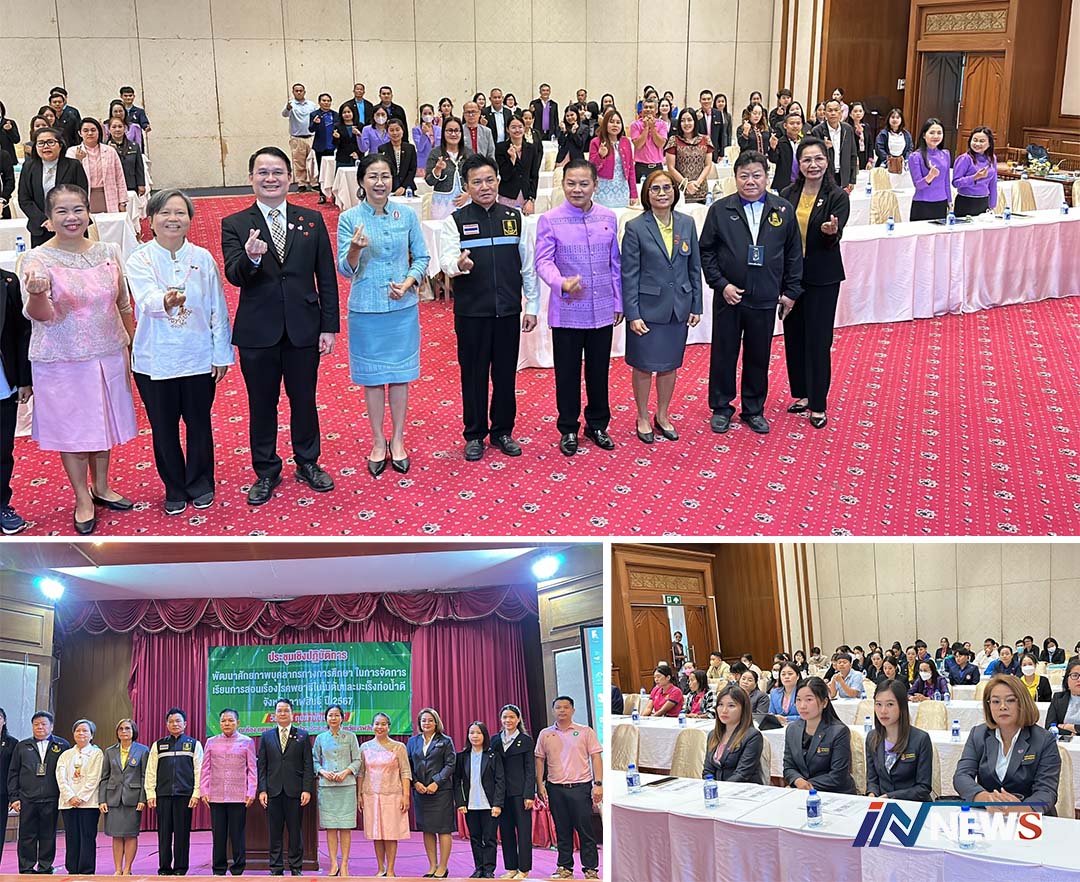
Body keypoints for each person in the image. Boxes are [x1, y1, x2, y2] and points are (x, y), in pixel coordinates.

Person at [221, 146, 339, 505]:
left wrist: (329, 326)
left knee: (304, 399)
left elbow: (326, 276)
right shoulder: (235, 224)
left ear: (289, 178)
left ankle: (308, 462)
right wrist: (252, 258)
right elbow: (235, 275)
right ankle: (266, 470)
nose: (270, 179)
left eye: (277, 172)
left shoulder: (311, 219)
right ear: (251, 179)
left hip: (304, 326)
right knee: (262, 403)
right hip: (258, 331)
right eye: (263, 172)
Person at [20, 184, 136, 534]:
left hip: (109, 352)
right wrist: (37, 293)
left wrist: (132, 346)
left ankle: (102, 486)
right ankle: (82, 497)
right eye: (62, 212)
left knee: (104, 424)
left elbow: (123, 303)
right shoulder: (37, 260)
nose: (71, 218)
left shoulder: (108, 251)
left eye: (78, 210)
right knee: (75, 431)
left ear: (88, 213)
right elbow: (40, 315)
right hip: (62, 360)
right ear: (48, 218)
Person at [127, 188, 232, 514]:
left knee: (199, 424)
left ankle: (200, 482)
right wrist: (166, 301)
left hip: (198, 356)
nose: (173, 219)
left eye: (180, 213)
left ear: (189, 219)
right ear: (151, 219)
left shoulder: (202, 258)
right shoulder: (139, 259)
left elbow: (218, 308)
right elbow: (145, 299)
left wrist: (221, 353)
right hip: (154, 358)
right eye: (165, 213)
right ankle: (174, 486)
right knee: (164, 427)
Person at [438, 153, 538, 461]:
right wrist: (458, 265)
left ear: (498, 181)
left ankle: (503, 431)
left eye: (489, 180)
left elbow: (528, 267)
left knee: (506, 375)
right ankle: (474, 434)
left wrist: (532, 305)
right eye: (477, 182)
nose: (484, 187)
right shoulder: (455, 221)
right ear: (467, 186)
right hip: (471, 313)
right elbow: (445, 260)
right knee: (474, 375)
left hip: (507, 311)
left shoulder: (515, 218)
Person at [700, 149, 803, 435]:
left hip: (766, 296)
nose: (750, 181)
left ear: (766, 177)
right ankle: (721, 407)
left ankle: (753, 409)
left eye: (756, 175)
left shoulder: (783, 210)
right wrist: (721, 284)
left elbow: (794, 253)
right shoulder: (720, 210)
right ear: (735, 178)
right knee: (724, 353)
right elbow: (706, 251)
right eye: (744, 176)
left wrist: (791, 291)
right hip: (730, 296)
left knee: (759, 354)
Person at [535, 159, 622, 456]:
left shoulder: (608, 216)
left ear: (595, 185)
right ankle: (568, 428)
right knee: (567, 374)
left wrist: (618, 301)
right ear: (562, 184)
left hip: (602, 309)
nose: (577, 189)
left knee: (599, 372)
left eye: (584, 184)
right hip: (568, 310)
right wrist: (560, 282)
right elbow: (543, 261)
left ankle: (597, 425)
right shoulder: (550, 220)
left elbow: (615, 264)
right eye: (571, 183)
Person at [621, 169, 701, 444]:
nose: (662, 193)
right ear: (647, 194)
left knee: (669, 365)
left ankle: (663, 415)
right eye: (655, 188)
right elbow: (629, 274)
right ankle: (642, 416)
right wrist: (632, 313)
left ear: (675, 192)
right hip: (647, 310)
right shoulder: (635, 227)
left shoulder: (687, 223)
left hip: (678, 307)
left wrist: (696, 305)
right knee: (643, 366)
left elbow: (694, 267)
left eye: (667, 187)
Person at [780, 136, 849, 430]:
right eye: (807, 159)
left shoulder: (837, 196)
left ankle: (818, 403)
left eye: (818, 158)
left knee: (818, 340)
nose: (813, 165)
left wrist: (831, 231)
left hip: (822, 277)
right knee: (794, 337)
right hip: (792, 277)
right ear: (799, 163)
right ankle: (803, 394)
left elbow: (836, 232)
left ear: (827, 161)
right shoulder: (787, 194)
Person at [953, 675, 1061, 814]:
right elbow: (962, 776)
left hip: (1030, 816)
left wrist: (1020, 809)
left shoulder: (1044, 740)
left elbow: (1046, 791)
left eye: (1010, 700)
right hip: (989, 815)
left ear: (1022, 703)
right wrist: (984, 798)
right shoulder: (978, 734)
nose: (1002, 707)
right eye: (995, 701)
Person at [534, 696, 601, 881]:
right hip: (555, 788)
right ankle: (564, 867)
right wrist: (539, 784)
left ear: (573, 710)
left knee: (585, 830)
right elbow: (539, 759)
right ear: (553, 710)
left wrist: (598, 784)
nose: (562, 710)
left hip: (580, 787)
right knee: (562, 830)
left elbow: (596, 757)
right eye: (558, 707)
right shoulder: (545, 734)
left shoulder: (585, 731)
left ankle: (590, 869)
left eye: (566, 707)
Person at [6, 711, 71, 874]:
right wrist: (14, 797)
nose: (40, 727)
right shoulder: (22, 746)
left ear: (51, 726)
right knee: (27, 835)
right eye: (36, 724)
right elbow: (13, 772)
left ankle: (45, 867)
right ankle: (26, 867)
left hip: (52, 798)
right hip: (27, 798)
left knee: (48, 835)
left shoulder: (62, 745)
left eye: (43, 724)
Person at [257, 698, 314, 876]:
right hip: (273, 791)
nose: (282, 713)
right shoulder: (266, 736)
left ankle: (296, 867)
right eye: (279, 711)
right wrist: (262, 790)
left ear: (292, 714)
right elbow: (262, 766)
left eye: (286, 710)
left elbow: (308, 765)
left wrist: (306, 789)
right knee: (274, 832)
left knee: (295, 832)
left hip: (295, 791)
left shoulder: (303, 735)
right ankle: (276, 868)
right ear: (274, 714)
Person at [146, 707, 203, 876]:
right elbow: (151, 771)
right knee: (164, 834)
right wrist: (150, 794)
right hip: (163, 795)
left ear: (185, 724)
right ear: (166, 724)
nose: (175, 724)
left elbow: (199, 770)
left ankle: (180, 868)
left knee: (182, 833)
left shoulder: (194, 744)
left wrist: (196, 793)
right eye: (171, 721)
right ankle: (164, 868)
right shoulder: (158, 745)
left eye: (178, 721)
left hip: (184, 796)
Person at [199, 708, 256, 877]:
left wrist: (251, 792)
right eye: (224, 721)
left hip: (238, 796)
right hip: (216, 795)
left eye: (231, 720)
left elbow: (252, 769)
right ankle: (218, 869)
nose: (227, 723)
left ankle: (238, 868)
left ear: (238, 723)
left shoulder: (247, 742)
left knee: (237, 835)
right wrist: (204, 790)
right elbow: (205, 769)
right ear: (219, 723)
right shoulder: (211, 742)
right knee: (218, 835)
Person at [357, 713, 412, 878]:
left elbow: (405, 772)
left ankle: (391, 870)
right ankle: (380, 868)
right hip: (371, 796)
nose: (379, 727)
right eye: (377, 724)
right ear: (372, 726)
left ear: (389, 727)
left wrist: (406, 796)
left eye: (383, 724)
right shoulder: (364, 747)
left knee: (390, 833)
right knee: (377, 833)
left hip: (393, 795)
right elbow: (361, 772)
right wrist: (359, 794)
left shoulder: (399, 747)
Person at [18, 126, 89, 247]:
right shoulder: (29, 167)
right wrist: (45, 221)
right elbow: (24, 199)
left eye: (50, 142)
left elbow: (82, 197)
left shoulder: (74, 166)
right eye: (41, 143)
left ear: (60, 145)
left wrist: (61, 219)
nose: (46, 146)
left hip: (71, 225)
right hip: (41, 228)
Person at [783, 677, 856, 793]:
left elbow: (837, 776)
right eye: (798, 700)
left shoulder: (839, 731)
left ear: (824, 702)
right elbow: (788, 766)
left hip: (834, 793)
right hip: (802, 791)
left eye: (809, 700)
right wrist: (797, 780)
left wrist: (806, 785)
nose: (802, 706)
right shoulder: (792, 729)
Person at [406, 708, 455, 879]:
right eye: (423, 720)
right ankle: (432, 865)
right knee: (427, 829)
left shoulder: (445, 741)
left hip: (441, 792)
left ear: (436, 722)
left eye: (430, 720)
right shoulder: (412, 741)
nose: (426, 723)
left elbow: (450, 764)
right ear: (419, 723)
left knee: (444, 829)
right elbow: (407, 765)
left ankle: (443, 866)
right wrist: (415, 783)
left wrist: (436, 782)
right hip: (420, 792)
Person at [864, 680, 933, 801]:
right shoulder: (872, 737)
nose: (883, 711)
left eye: (890, 704)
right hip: (882, 803)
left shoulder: (921, 739)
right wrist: (872, 794)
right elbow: (872, 780)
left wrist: (890, 796)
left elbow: (923, 787)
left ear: (902, 706)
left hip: (912, 804)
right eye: (878, 704)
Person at [313, 705, 361, 877]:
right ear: (326, 719)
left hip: (347, 786)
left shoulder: (351, 736)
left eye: (336, 715)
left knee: (345, 827)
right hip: (327, 787)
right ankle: (333, 864)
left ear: (342, 718)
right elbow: (313, 760)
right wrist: (322, 771)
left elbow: (357, 760)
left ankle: (345, 864)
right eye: (330, 715)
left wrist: (345, 772)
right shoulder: (320, 738)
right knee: (331, 828)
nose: (333, 718)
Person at [0, 263, 31, 535]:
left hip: (3, 383)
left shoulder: (7, 282)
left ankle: (1, 505)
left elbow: (22, 332)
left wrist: (24, 379)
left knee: (2, 450)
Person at [98, 718, 149, 875]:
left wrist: (142, 799)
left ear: (134, 731)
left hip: (133, 799)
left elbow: (145, 777)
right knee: (117, 835)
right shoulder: (110, 751)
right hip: (113, 798)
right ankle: (118, 869)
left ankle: (127, 869)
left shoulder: (143, 750)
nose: (124, 731)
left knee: (130, 835)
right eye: (121, 729)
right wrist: (102, 800)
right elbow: (104, 777)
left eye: (127, 728)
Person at [454, 722, 504, 879]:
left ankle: (489, 869)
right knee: (475, 838)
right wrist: (460, 802)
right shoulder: (462, 757)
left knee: (489, 839)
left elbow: (500, 781)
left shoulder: (493, 755)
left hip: (489, 805)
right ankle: (478, 868)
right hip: (470, 805)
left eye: (478, 733)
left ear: (484, 735)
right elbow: (457, 781)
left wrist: (497, 804)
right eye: (472, 733)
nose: (475, 736)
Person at [55, 719, 103, 874]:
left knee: (87, 837)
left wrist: (81, 797)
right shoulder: (66, 754)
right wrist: (70, 796)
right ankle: (72, 869)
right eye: (78, 730)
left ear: (91, 735)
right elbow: (60, 777)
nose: (81, 733)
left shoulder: (97, 753)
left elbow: (94, 778)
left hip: (88, 803)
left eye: (85, 731)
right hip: (68, 803)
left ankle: (86, 870)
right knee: (71, 837)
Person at [702, 685, 765, 783]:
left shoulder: (753, 736)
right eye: (720, 704)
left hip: (742, 789)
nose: (724, 710)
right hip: (717, 788)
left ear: (743, 708)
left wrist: (721, 788)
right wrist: (711, 786)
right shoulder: (713, 735)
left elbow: (742, 774)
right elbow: (707, 771)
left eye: (731, 706)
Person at [65, 117, 127, 213]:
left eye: (93, 130)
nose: (90, 133)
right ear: (80, 133)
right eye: (86, 130)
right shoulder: (72, 152)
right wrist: (78, 161)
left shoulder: (110, 151)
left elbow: (119, 177)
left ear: (99, 132)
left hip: (109, 196)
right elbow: (68, 178)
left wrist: (122, 202)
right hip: (83, 197)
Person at [425, 118, 471, 220]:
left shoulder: (469, 153)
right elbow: (429, 181)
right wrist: (437, 170)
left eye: (456, 130)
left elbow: (476, 178)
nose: (453, 134)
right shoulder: (435, 153)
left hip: (465, 201)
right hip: (441, 203)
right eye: (449, 130)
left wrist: (469, 194)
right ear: (443, 133)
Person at [590, 109, 637, 208]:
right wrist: (600, 156)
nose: (615, 125)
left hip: (622, 190)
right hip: (603, 189)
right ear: (605, 124)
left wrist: (633, 193)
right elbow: (592, 168)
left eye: (618, 122)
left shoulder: (626, 142)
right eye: (611, 122)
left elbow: (631, 169)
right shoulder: (596, 142)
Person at [664, 109, 712, 203]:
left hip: (700, 190)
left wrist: (697, 183)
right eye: (683, 120)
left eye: (689, 120)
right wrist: (686, 184)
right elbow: (671, 167)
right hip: (680, 191)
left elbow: (708, 165)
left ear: (695, 121)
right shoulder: (673, 140)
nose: (686, 123)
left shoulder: (705, 140)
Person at [908, 117, 951, 221]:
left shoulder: (945, 154)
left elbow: (946, 181)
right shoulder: (915, 156)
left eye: (939, 133)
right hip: (923, 204)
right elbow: (918, 185)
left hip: (941, 202)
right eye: (932, 133)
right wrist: (930, 176)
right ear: (924, 135)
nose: (936, 136)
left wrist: (949, 201)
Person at [495, 116, 540, 213]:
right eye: (513, 127)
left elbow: (534, 176)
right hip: (507, 195)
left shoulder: (531, 148)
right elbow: (504, 175)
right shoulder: (500, 148)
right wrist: (512, 159)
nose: (517, 130)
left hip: (526, 197)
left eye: (520, 127)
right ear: (507, 129)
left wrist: (531, 199)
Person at [810, 100, 857, 192]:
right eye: (830, 110)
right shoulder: (817, 131)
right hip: (825, 175)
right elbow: (813, 155)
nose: (833, 113)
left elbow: (853, 154)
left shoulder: (847, 129)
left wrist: (852, 179)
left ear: (841, 113)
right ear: (825, 113)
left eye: (836, 110)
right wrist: (823, 147)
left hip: (843, 175)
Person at [952, 127, 998, 217]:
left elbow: (993, 183)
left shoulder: (992, 158)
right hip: (966, 201)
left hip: (984, 200)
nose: (977, 144)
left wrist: (992, 205)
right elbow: (956, 183)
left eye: (982, 141)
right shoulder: (964, 159)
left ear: (989, 143)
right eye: (975, 140)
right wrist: (974, 177)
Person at [281, 83, 317, 192]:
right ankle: (302, 183)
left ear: (304, 92)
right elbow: (284, 114)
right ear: (293, 92)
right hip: (297, 138)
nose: (299, 92)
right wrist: (287, 108)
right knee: (299, 162)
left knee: (313, 161)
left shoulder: (311, 104)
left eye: (301, 90)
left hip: (311, 136)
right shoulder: (290, 105)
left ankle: (314, 182)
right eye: (296, 91)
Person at [105, 117, 146, 207]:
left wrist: (141, 184)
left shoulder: (134, 146)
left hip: (130, 184)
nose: (117, 129)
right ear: (109, 129)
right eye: (114, 127)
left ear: (125, 128)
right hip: (112, 186)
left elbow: (139, 167)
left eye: (120, 126)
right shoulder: (104, 148)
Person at [630, 98, 669, 184]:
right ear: (642, 109)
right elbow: (638, 145)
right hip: (640, 167)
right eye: (646, 107)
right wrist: (646, 127)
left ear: (656, 110)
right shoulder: (635, 125)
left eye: (651, 107)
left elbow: (661, 144)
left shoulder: (662, 124)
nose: (648, 110)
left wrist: (652, 128)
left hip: (657, 166)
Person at [308, 93, 337, 203]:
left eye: (328, 101)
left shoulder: (335, 115)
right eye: (324, 101)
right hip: (320, 147)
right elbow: (311, 129)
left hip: (334, 146)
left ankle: (335, 195)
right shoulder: (314, 114)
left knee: (335, 171)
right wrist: (315, 123)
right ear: (319, 102)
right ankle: (322, 195)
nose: (326, 103)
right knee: (322, 171)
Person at [768, 110, 804, 192]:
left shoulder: (805, 142)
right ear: (785, 125)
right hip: (784, 184)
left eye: (798, 123)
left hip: (801, 183)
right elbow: (773, 159)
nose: (795, 126)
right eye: (792, 123)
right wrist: (773, 148)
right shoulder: (780, 142)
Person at [1044, 657, 1080, 735]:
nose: (1079, 679)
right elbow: (1049, 727)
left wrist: (1073, 727)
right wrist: (1071, 733)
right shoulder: (1058, 698)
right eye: (1075, 675)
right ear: (1067, 680)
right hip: (1064, 741)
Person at [334, 103, 363, 169]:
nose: (347, 114)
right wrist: (336, 138)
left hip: (358, 157)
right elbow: (335, 144)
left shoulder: (360, 125)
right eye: (344, 112)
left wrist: (358, 153)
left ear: (353, 113)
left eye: (349, 112)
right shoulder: (337, 126)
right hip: (343, 158)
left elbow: (363, 142)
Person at [413, 103, 441, 171]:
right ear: (421, 115)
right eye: (425, 114)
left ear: (433, 114)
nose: (427, 116)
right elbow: (420, 148)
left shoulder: (439, 129)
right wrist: (424, 134)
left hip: (437, 162)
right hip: (423, 164)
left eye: (430, 113)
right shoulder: (416, 130)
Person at [847, 101, 872, 170]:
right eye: (855, 111)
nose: (858, 113)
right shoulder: (847, 128)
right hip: (852, 158)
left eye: (860, 111)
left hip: (864, 156)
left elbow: (870, 144)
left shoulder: (866, 126)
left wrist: (870, 160)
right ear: (850, 114)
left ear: (863, 113)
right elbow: (848, 146)